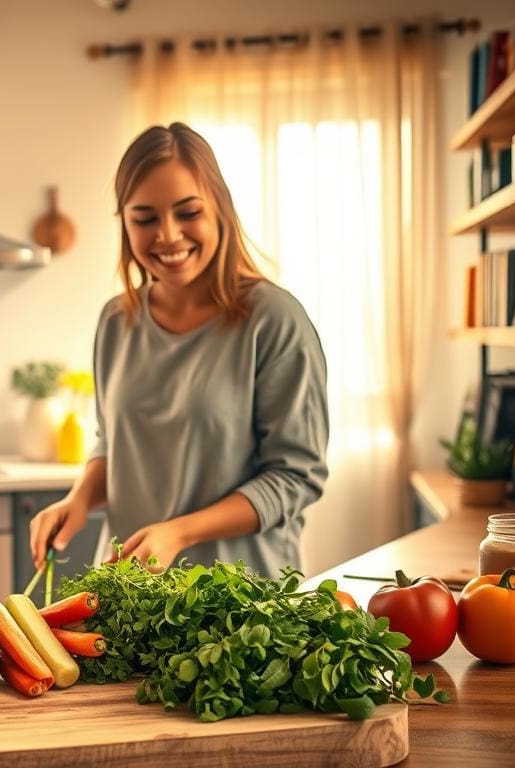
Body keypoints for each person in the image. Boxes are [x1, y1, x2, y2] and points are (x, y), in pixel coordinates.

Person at [29, 122, 329, 579]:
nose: (167, 234)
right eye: (145, 219)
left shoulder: (274, 320)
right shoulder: (117, 320)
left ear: (220, 210)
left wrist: (180, 533)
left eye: (188, 212)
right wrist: (79, 499)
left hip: (240, 600)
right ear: (125, 224)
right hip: (130, 596)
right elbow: (116, 443)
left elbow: (296, 477)